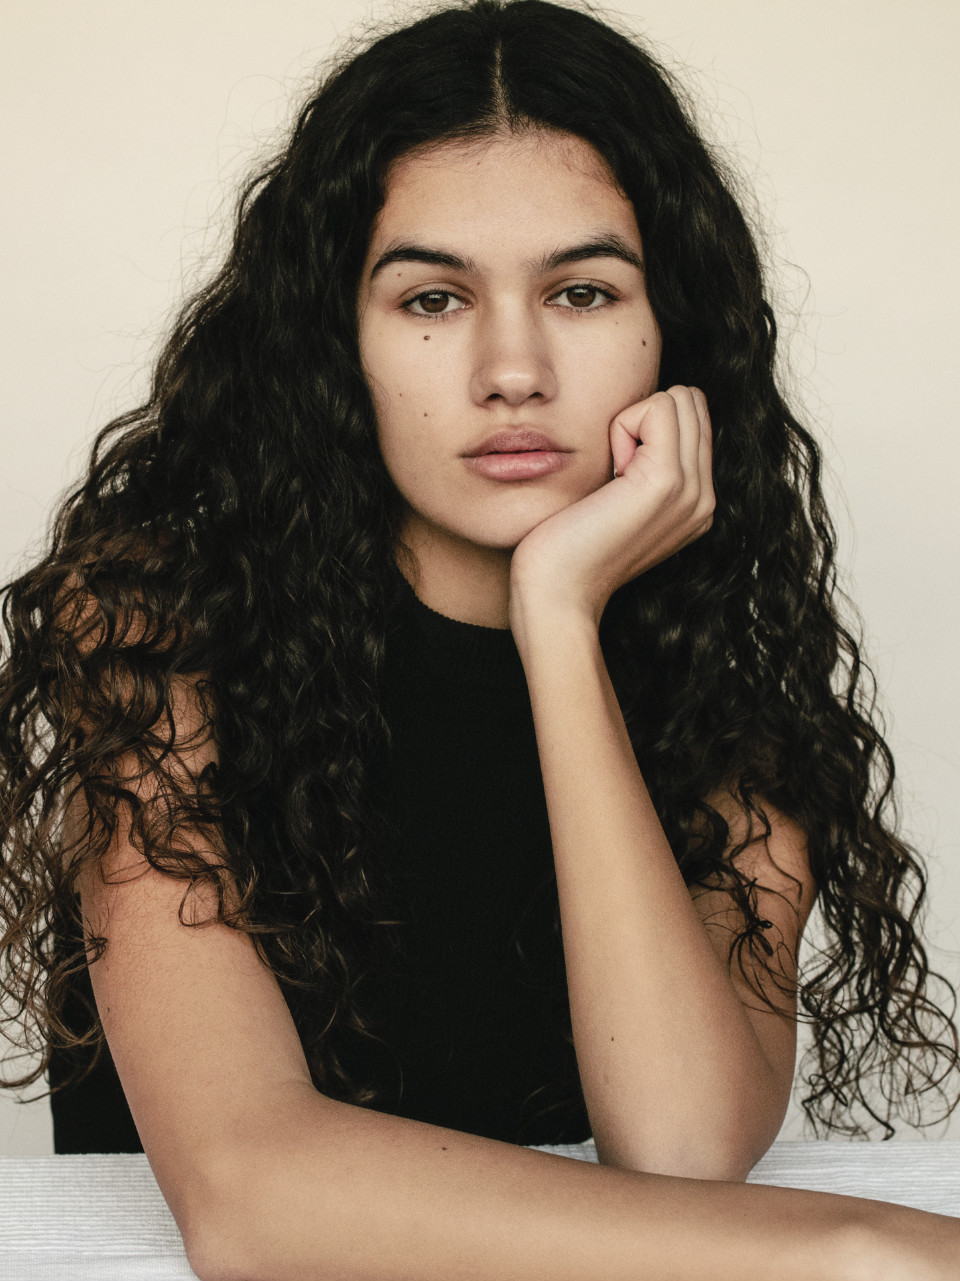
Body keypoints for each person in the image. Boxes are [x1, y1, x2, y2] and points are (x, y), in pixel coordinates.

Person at [2, 0, 959, 1275]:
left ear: (670, 335)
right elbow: (246, 1199)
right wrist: (851, 1246)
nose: (513, 368)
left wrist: (557, 617)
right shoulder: (157, 626)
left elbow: (683, 1147)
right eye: (434, 298)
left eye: (582, 291)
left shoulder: (726, 669)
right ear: (336, 341)